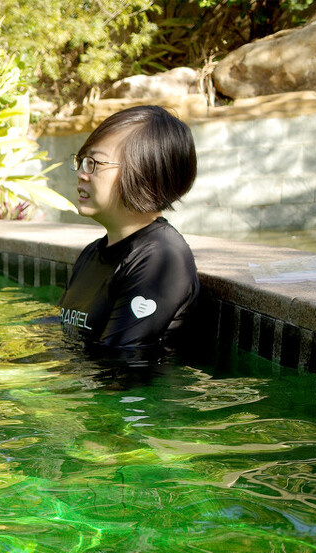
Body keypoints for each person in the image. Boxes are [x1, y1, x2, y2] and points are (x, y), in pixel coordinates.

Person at [57, 105, 198, 362]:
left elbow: (116, 364)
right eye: (82, 161)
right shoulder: (93, 253)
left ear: (144, 171)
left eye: (94, 164)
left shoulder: (160, 258)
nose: (81, 174)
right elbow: (61, 330)